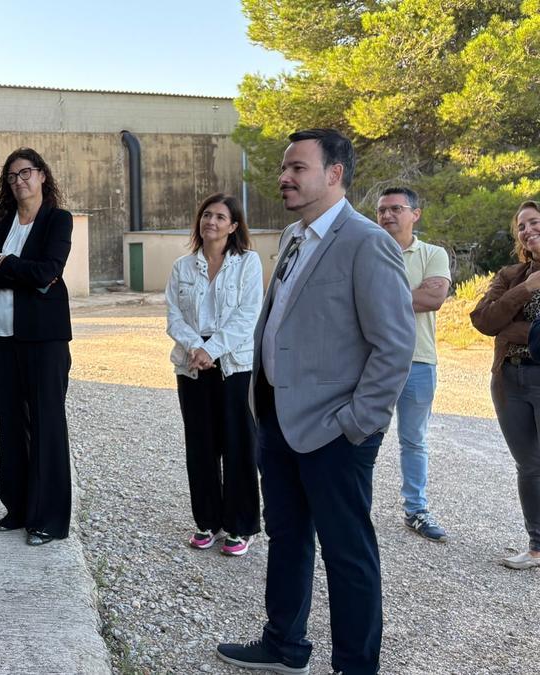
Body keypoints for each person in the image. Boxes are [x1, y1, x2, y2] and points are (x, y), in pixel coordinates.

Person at [216, 129, 414, 675]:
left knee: (347, 554)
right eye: (284, 168)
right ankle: (284, 645)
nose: (284, 177)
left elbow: (393, 346)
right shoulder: (295, 236)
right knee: (286, 537)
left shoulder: (365, 241)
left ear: (335, 174)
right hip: (278, 422)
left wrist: (357, 424)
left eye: (298, 168)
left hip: (334, 431)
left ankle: (355, 667)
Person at [0, 147, 73, 546]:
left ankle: (48, 519)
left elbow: (49, 270)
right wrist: (20, 272)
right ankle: (18, 508)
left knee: (46, 425)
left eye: (25, 173)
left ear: (43, 175)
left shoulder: (57, 220)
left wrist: (5, 264)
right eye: (11, 176)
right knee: (10, 424)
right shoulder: (0, 220)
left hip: (43, 339)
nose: (18, 181)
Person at [165, 193, 262, 557]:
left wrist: (213, 349)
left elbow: (248, 314)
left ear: (234, 226)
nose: (212, 222)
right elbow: (174, 315)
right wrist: (195, 348)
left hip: (234, 362)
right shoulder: (182, 266)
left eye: (221, 217)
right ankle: (207, 522)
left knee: (238, 445)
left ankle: (240, 526)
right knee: (201, 446)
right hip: (192, 365)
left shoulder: (248, 264)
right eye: (207, 215)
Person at [376, 187, 451, 543]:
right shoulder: (370, 250)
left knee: (414, 440)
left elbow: (434, 298)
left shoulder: (433, 253)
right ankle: (351, 504)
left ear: (415, 214)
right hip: (372, 360)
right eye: (382, 210)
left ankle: (416, 510)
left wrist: (381, 297)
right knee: (362, 434)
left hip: (418, 361)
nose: (388, 215)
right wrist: (409, 294)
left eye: (396, 209)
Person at [472, 200, 540, 571]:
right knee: (529, 465)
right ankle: (536, 546)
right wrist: (527, 288)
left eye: (534, 222)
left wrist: (514, 329)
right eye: (522, 226)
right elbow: (483, 320)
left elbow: (502, 325)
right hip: (510, 379)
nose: (528, 230)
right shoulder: (511, 274)